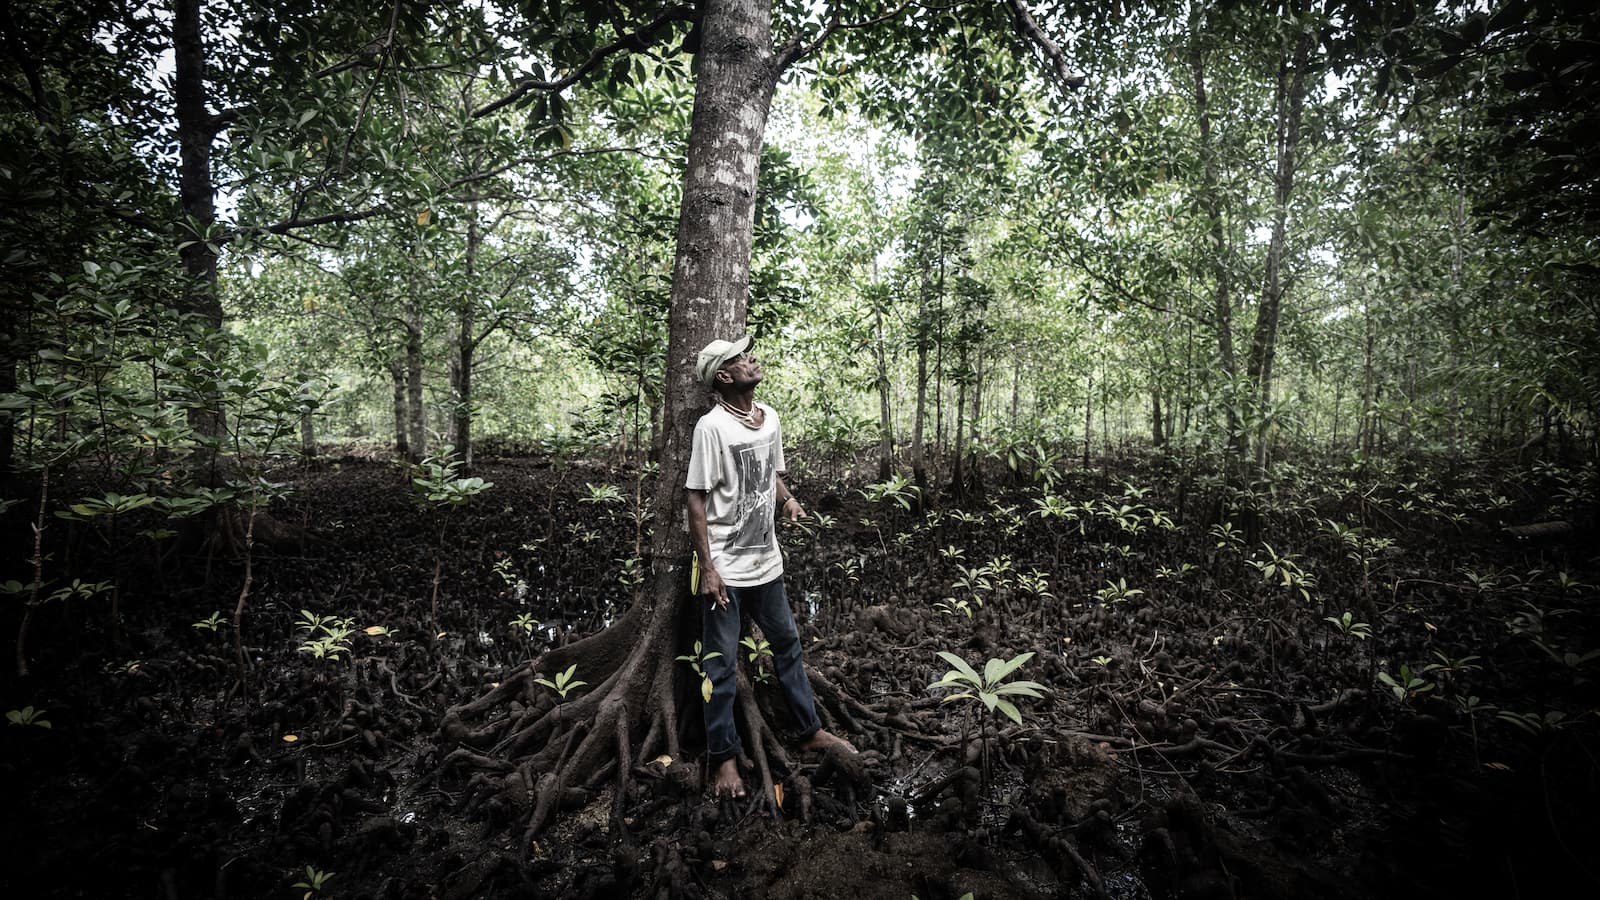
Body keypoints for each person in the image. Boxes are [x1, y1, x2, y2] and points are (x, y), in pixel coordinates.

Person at [685, 334, 855, 799]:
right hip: (726, 570)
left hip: (767, 563)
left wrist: (790, 500)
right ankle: (723, 758)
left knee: (788, 646)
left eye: (748, 353)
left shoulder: (769, 418)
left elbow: (772, 474)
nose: (751, 359)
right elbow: (695, 498)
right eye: (741, 358)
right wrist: (709, 568)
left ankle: (808, 730)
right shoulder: (712, 428)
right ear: (724, 376)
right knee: (719, 665)